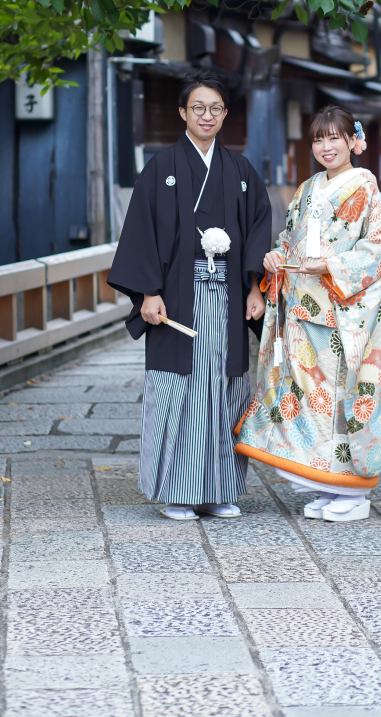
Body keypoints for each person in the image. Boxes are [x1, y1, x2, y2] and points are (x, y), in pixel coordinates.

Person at [234, 103, 381, 522]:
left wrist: (332, 266)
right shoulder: (307, 188)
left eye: (334, 137)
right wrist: (277, 256)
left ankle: (353, 493)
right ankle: (326, 485)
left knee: (339, 400)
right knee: (308, 402)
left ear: (353, 141)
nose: (326, 147)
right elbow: (291, 238)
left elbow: (380, 247)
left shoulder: (365, 188)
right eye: (318, 139)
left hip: (343, 314)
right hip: (303, 312)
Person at [107, 68, 271, 520]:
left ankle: (219, 489)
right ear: (182, 112)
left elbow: (258, 228)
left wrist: (255, 287)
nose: (206, 115)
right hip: (176, 298)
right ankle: (177, 492)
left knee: (225, 388)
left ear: (225, 114)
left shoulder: (240, 171)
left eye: (215, 108)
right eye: (198, 107)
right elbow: (140, 232)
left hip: (228, 297)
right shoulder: (161, 168)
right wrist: (148, 293)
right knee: (179, 388)